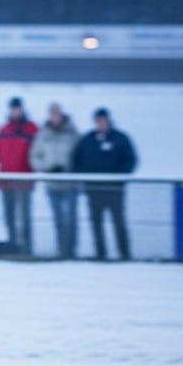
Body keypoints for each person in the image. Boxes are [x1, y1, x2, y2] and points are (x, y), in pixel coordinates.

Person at [72, 107, 138, 260]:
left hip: (114, 189)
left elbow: (130, 160)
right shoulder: (88, 139)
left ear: (109, 120)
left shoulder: (120, 139)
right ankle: (100, 253)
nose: (101, 123)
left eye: (104, 120)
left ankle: (124, 253)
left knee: (118, 222)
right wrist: (84, 178)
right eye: (99, 121)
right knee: (96, 223)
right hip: (94, 189)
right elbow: (77, 160)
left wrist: (119, 178)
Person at [30, 102, 81, 259]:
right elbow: (34, 156)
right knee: (58, 220)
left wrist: (70, 169)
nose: (55, 117)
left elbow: (81, 155)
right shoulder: (43, 134)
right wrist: (45, 169)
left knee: (70, 220)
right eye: (52, 114)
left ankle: (71, 251)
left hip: (69, 184)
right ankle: (61, 251)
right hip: (52, 184)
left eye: (57, 113)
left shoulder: (72, 133)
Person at [0, 97, 38, 254]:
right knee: (9, 217)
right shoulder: (3, 130)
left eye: (17, 108)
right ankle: (13, 246)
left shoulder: (32, 129)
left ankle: (27, 248)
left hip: (24, 180)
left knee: (24, 217)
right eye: (13, 109)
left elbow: (38, 153)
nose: (15, 111)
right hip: (6, 180)